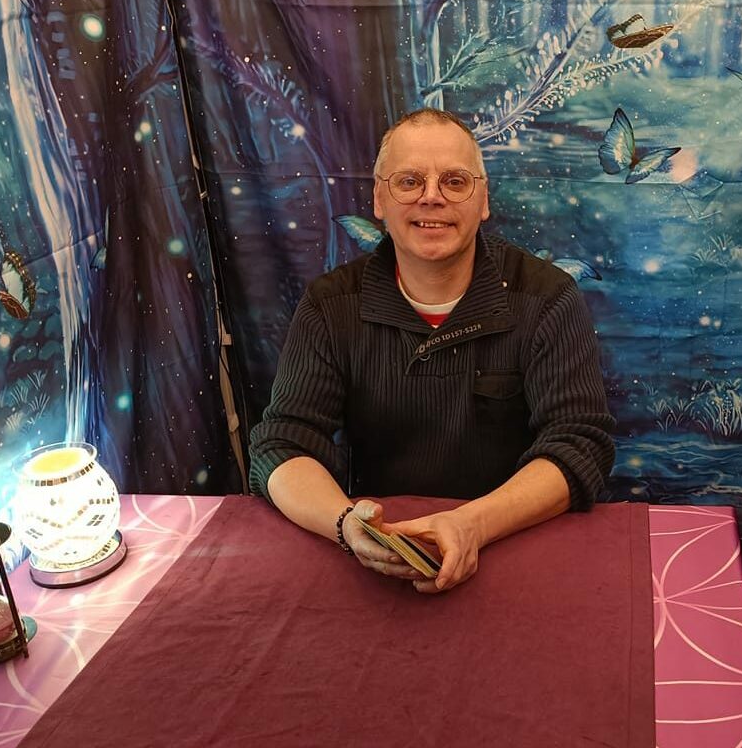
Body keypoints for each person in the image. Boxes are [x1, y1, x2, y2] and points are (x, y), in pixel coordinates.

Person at [249, 108, 614, 593]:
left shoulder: (548, 299)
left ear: (484, 200)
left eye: (455, 181)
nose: (432, 197)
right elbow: (282, 445)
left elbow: (580, 444)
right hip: (380, 550)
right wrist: (345, 524)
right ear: (379, 198)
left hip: (514, 542)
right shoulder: (329, 306)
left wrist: (472, 525)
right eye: (409, 181)